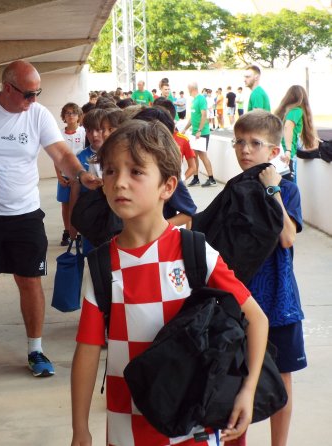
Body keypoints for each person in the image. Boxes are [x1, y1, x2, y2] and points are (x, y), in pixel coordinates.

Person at [70, 119, 268, 446]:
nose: (119, 182)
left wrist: (247, 392)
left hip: (193, 424)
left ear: (168, 186)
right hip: (127, 425)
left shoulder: (193, 250)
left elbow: (256, 318)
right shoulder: (101, 265)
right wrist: (80, 427)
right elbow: (88, 349)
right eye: (110, 171)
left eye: (136, 172)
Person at [0, 60, 101, 378]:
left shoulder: (37, 115)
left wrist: (81, 175)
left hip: (25, 215)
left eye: (37, 93)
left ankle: (35, 350)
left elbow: (61, 154)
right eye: (28, 94)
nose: (34, 101)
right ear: (7, 87)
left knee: (30, 282)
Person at [225, 110, 307, 446]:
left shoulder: (287, 190)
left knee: (281, 377)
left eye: (255, 143)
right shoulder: (233, 190)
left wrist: (272, 191)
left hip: (279, 300)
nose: (245, 149)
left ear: (273, 152)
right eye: (239, 142)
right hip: (241, 300)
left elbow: (287, 237)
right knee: (235, 378)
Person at [68, 108, 109, 253]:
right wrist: (72, 225)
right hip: (89, 215)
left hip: (113, 215)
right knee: (92, 258)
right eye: (89, 131)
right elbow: (74, 192)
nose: (94, 135)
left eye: (99, 130)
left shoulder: (117, 153)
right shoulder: (80, 156)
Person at [274, 85, 319, 183]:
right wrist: (289, 150)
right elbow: (288, 126)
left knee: (281, 187)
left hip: (278, 154)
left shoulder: (283, 112)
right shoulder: (297, 111)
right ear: (303, 98)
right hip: (287, 156)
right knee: (291, 188)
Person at [56, 103, 86, 245]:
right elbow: (56, 156)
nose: (70, 115)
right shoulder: (59, 134)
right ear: (63, 116)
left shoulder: (84, 133)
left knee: (79, 204)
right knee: (66, 205)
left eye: (74, 113)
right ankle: (67, 232)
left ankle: (79, 232)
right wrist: (59, 176)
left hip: (80, 176)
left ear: (79, 116)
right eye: (67, 113)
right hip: (65, 176)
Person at [184, 82, 216, 187]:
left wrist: (199, 130)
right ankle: (196, 178)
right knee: (194, 156)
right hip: (194, 133)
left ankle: (211, 179)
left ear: (191, 88)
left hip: (202, 133)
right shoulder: (194, 101)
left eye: (188, 88)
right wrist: (184, 129)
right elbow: (192, 118)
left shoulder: (201, 99)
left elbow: (204, 115)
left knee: (203, 156)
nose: (187, 90)